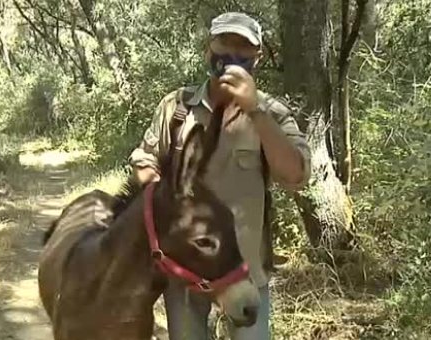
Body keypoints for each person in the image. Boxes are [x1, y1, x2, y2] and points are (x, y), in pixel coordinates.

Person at [128, 12, 312, 340]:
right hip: (186, 275)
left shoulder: (273, 114)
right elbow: (145, 161)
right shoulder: (176, 108)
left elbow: (295, 175)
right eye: (224, 43)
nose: (232, 56)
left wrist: (254, 109)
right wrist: (165, 202)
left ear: (257, 58)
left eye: (243, 50)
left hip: (244, 273)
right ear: (207, 50)